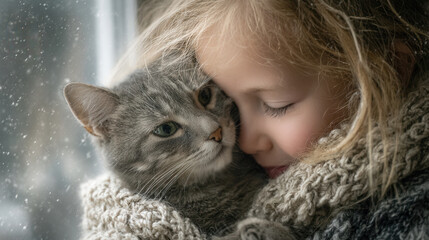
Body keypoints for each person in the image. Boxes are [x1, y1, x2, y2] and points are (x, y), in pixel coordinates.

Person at [81, 0, 429, 239]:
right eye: (230, 100)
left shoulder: (408, 213)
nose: (237, 138)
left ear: (386, 72)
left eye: (276, 104)